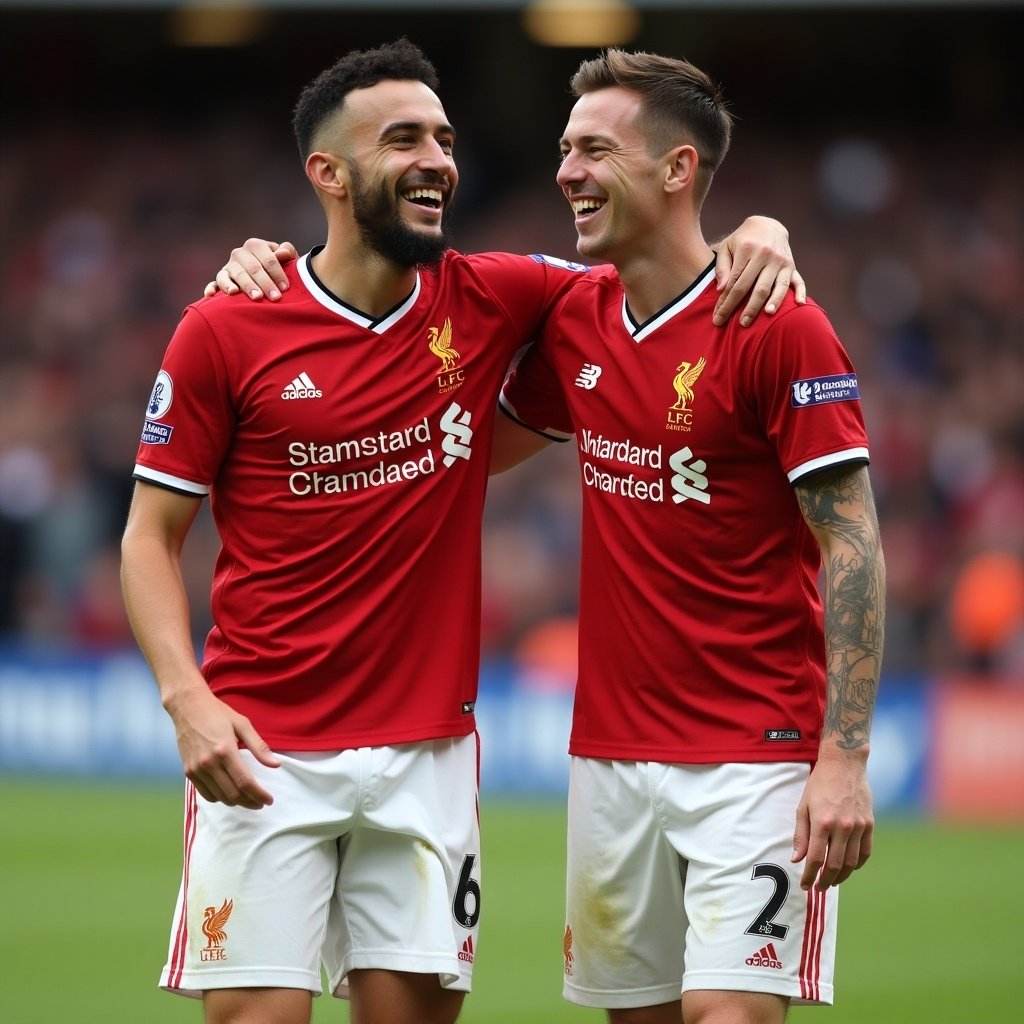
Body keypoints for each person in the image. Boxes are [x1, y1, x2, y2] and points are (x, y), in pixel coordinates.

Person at [121, 40, 801, 1024]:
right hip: (267, 742)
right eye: (403, 139)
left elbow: (662, 274)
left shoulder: (501, 294)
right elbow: (148, 536)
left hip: (427, 755)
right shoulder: (227, 326)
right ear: (328, 173)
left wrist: (763, 226)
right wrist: (186, 698)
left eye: (443, 137)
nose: (437, 158)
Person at [492, 51, 886, 1024]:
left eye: (592, 148)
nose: (566, 171)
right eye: (562, 149)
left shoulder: (776, 325)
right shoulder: (574, 316)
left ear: (675, 168)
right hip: (610, 757)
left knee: (727, 1011)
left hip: (756, 751)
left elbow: (853, 542)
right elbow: (466, 452)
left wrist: (842, 759)